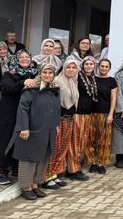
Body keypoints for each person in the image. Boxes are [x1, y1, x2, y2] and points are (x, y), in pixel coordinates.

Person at [9, 63, 60, 200]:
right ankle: (26, 187)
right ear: (40, 73)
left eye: (50, 73)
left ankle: (35, 184)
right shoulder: (31, 90)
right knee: (28, 158)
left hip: (47, 130)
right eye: (45, 72)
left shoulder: (54, 90)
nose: (47, 75)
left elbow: (56, 110)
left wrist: (56, 125)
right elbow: (22, 109)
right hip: (31, 129)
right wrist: (23, 127)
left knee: (42, 158)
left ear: (53, 75)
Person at [0, 49, 38, 185]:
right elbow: (7, 88)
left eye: (27, 57)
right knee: (4, 139)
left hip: (26, 112)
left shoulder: (35, 72)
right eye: (21, 57)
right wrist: (23, 83)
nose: (24, 59)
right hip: (9, 112)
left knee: (20, 139)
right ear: (16, 59)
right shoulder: (9, 73)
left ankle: (14, 166)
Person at [44, 60, 86, 190]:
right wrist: (54, 121)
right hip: (58, 120)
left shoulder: (74, 82)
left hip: (69, 119)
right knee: (54, 148)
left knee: (63, 148)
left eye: (74, 68)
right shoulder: (57, 81)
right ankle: (47, 176)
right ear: (64, 68)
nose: (71, 70)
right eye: (69, 67)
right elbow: (52, 103)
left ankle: (55, 174)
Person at [86, 59, 117, 174]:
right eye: (102, 66)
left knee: (104, 139)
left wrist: (110, 114)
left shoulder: (112, 81)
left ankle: (101, 162)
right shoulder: (92, 78)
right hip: (91, 113)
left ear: (109, 68)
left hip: (105, 114)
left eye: (106, 66)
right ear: (98, 67)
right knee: (91, 138)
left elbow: (113, 99)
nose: (104, 68)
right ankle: (93, 162)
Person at [68, 57, 96, 178]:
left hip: (87, 114)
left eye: (91, 64)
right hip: (77, 113)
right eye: (86, 64)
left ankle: (75, 167)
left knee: (82, 142)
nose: (89, 66)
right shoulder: (77, 76)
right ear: (83, 65)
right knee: (75, 142)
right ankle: (73, 170)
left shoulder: (92, 78)